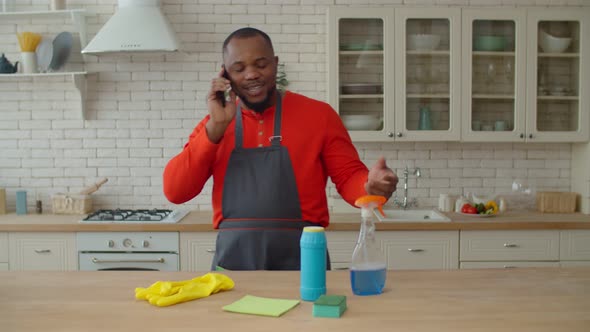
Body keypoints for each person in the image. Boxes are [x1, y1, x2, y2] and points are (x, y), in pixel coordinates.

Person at [163, 27, 398, 271]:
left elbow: (349, 176)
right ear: (226, 74)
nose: (251, 74)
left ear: (275, 64)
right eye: (239, 68)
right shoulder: (215, 124)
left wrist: (369, 187)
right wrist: (215, 127)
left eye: (261, 64)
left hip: (304, 254)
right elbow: (175, 191)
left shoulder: (319, 115)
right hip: (234, 257)